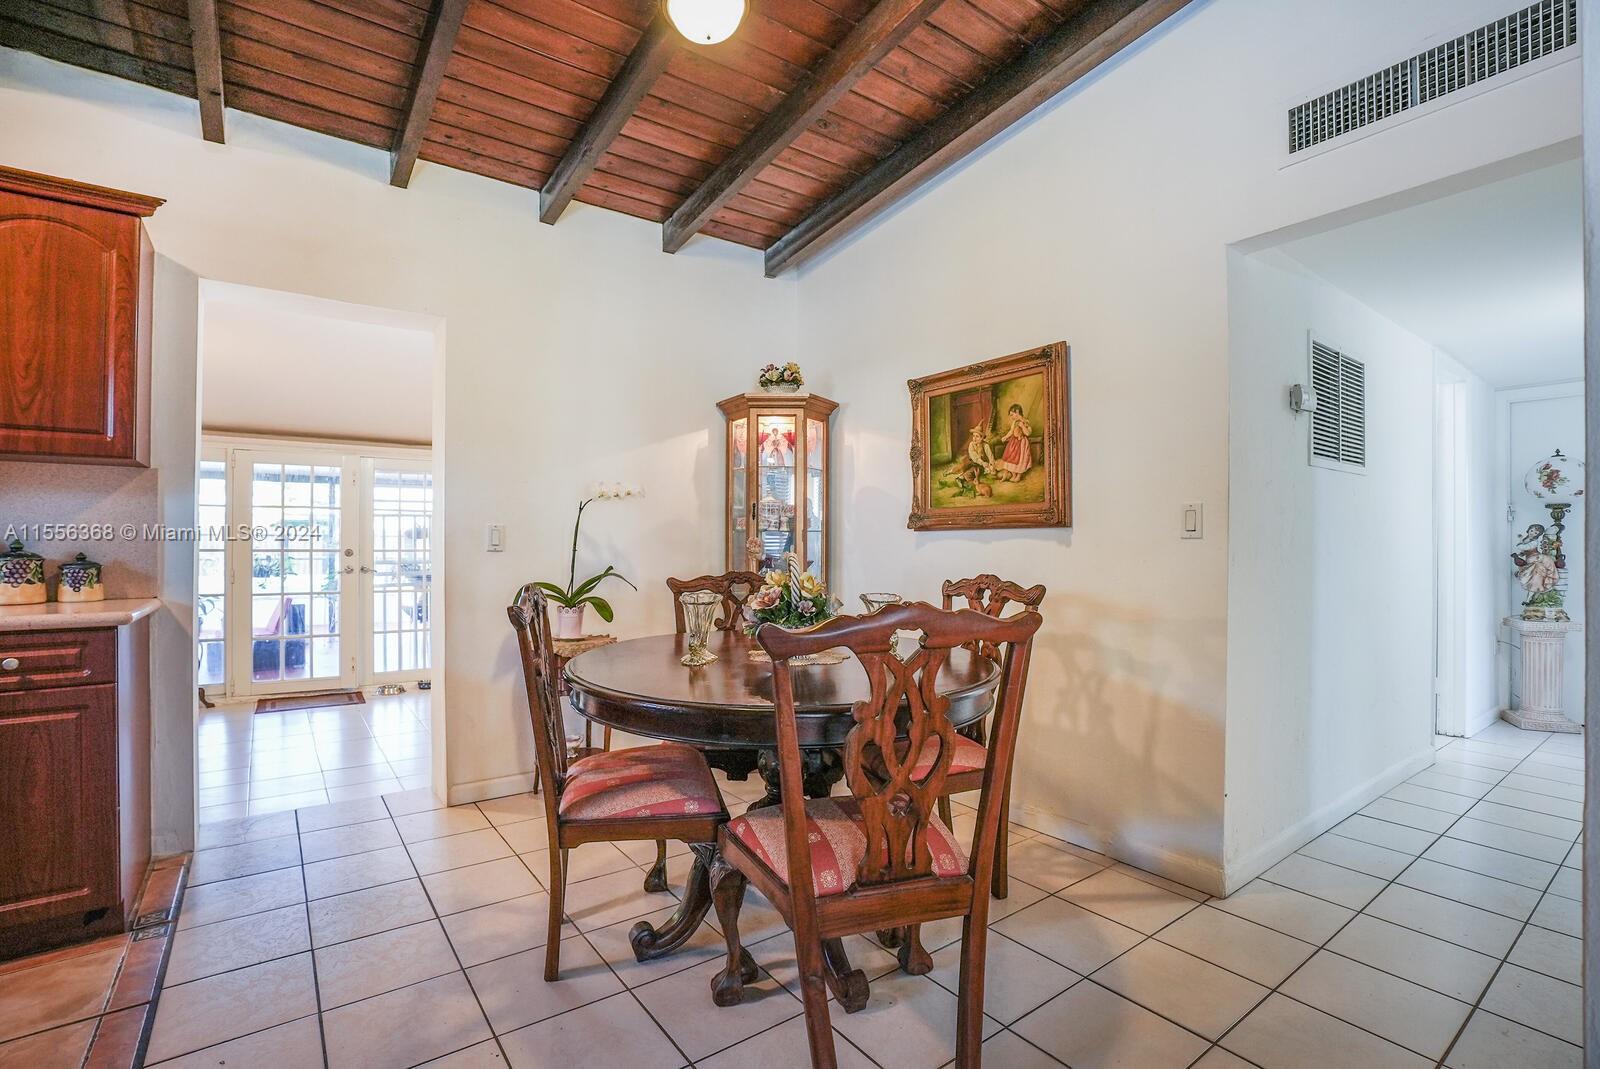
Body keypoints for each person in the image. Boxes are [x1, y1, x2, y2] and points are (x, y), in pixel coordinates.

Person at [998, 403, 1033, 482]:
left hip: (1022, 444)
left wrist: (1023, 426)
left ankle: (1018, 476)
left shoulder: (1025, 421)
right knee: (1011, 458)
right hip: (1013, 443)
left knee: (1020, 460)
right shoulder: (1014, 422)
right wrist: (1006, 437)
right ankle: (1014, 475)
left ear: (1017, 412)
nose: (1011, 417)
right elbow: (1011, 431)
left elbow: (1028, 433)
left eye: (1012, 414)